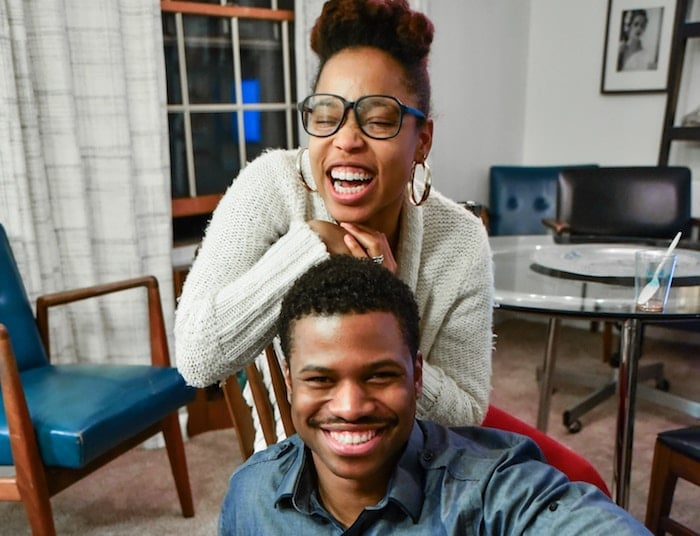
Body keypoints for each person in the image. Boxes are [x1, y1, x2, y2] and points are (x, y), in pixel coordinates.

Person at [174, 0, 493, 449]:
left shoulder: (460, 240)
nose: (345, 140)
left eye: (379, 119)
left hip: (419, 458)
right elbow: (196, 358)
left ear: (422, 141)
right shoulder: (271, 187)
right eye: (325, 116)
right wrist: (310, 249)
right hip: (298, 467)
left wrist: (390, 323)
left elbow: (467, 411)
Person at [219, 256, 649, 534]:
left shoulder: (490, 493)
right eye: (321, 380)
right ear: (290, 383)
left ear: (417, 376)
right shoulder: (251, 494)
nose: (350, 407)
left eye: (379, 376)